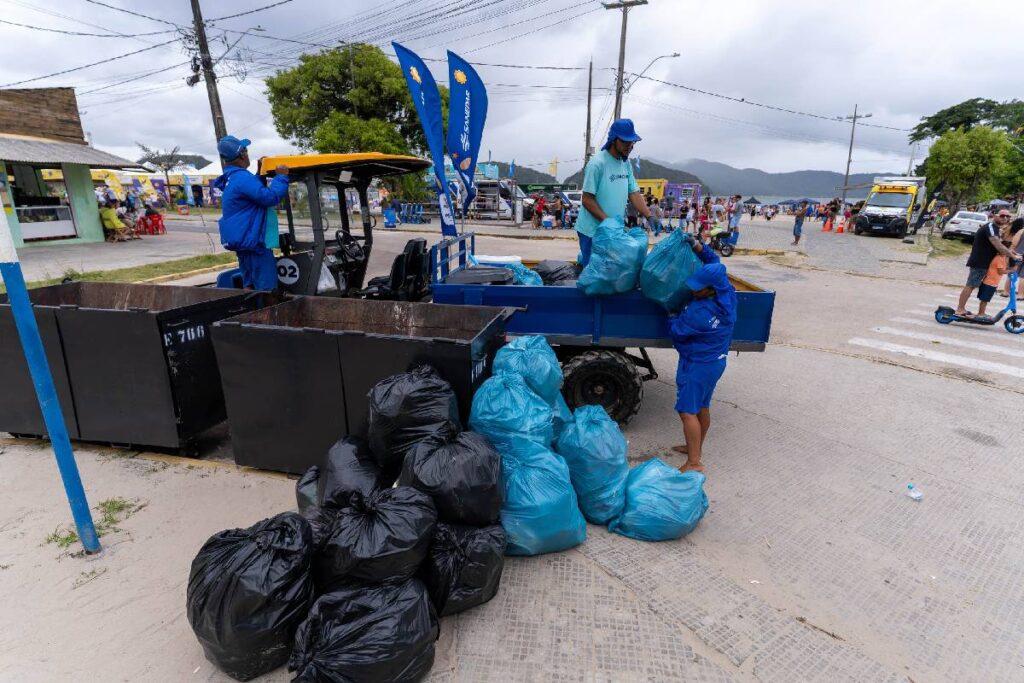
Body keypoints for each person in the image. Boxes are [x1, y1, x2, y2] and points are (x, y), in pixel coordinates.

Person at [669, 234, 737, 474]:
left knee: (687, 411)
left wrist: (672, 315)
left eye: (697, 288)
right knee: (702, 407)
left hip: (698, 364)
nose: (692, 289)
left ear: (709, 290)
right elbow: (714, 262)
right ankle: (694, 448)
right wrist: (698, 245)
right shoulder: (726, 293)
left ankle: (695, 462)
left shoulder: (700, 314)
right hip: (714, 362)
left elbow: (678, 332)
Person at [213, 135, 290, 291]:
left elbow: (252, 193)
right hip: (255, 244)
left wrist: (260, 174)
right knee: (267, 290)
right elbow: (269, 197)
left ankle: (252, 307)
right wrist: (281, 177)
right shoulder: (242, 178)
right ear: (242, 154)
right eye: (246, 150)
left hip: (244, 243)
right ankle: (268, 308)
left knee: (250, 285)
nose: (248, 154)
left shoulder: (232, 178)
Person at [575, 118, 651, 265]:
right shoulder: (597, 163)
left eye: (632, 142)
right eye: (625, 142)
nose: (629, 146)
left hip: (612, 232)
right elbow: (587, 199)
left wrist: (649, 215)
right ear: (613, 139)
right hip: (592, 231)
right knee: (593, 273)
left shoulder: (625, 163)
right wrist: (608, 221)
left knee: (610, 271)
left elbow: (634, 193)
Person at [955, 209, 1019, 317]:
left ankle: (979, 312)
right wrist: (1012, 256)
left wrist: (1013, 253)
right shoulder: (990, 227)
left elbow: (1002, 245)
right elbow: (998, 245)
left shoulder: (996, 229)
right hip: (980, 262)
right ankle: (960, 309)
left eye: (1008, 216)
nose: (1005, 218)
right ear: (995, 216)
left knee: (979, 286)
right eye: (1002, 215)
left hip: (986, 263)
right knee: (971, 285)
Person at [1000, 218, 1024, 297]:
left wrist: (1011, 252)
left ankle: (1006, 292)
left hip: (1017, 255)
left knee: (1011, 274)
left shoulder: (1021, 231)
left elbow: (1014, 243)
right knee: (1023, 276)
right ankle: (1021, 295)